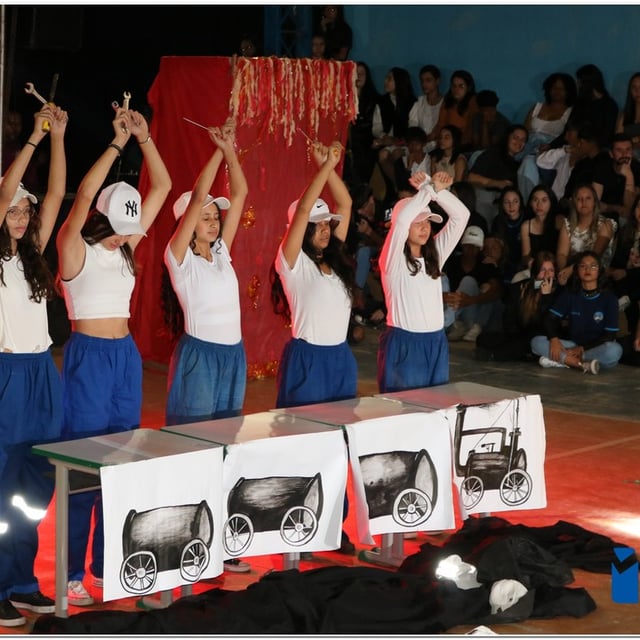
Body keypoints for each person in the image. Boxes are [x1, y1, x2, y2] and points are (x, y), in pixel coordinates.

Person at [56, 108, 171, 606]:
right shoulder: (73, 250)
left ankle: (107, 565)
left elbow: (163, 188)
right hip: (88, 357)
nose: (130, 235)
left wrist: (146, 139)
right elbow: (81, 195)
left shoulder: (123, 247)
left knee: (121, 462)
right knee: (83, 463)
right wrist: (116, 144)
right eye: (121, 228)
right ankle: (70, 575)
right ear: (103, 219)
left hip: (125, 356)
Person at [162, 119, 250, 573]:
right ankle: (183, 538)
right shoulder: (178, 260)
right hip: (200, 358)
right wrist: (215, 152)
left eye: (217, 215)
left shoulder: (223, 254)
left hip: (233, 358)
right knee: (192, 445)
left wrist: (230, 149)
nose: (213, 219)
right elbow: (198, 196)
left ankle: (220, 539)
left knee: (225, 446)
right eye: (205, 216)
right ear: (187, 223)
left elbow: (243, 194)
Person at [0, 104, 67, 627]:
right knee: (1, 488)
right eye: (14, 211)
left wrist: (60, 138)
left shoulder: (33, 256)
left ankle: (23, 581)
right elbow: (6, 193)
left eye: (27, 211)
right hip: (7, 379)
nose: (21, 218)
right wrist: (34, 139)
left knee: (33, 490)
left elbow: (59, 196)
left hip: (43, 375)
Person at [271, 139, 355, 553]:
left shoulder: (333, 264)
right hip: (308, 359)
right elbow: (304, 211)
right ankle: (299, 528)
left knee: (338, 444)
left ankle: (333, 526)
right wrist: (320, 170)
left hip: (339, 360)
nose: (326, 228)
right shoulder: (292, 263)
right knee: (303, 445)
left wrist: (331, 165)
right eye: (320, 225)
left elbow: (347, 203)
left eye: (328, 224)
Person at [377, 170, 470, 392]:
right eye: (418, 221)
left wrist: (437, 190)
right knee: (402, 410)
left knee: (434, 408)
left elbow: (462, 216)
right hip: (404, 342)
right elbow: (400, 223)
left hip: (435, 342)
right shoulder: (392, 259)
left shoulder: (434, 254)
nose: (424, 227)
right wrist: (426, 190)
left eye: (428, 221)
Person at [531, 250, 623, 373]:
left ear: (599, 270)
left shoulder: (609, 298)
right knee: (536, 342)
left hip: (594, 348)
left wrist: (582, 349)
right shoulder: (571, 293)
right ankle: (577, 364)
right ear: (577, 270)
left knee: (614, 351)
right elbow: (550, 318)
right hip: (572, 345)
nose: (587, 269)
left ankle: (563, 361)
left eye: (593, 266)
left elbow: (610, 335)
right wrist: (554, 339)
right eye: (583, 266)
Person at [475, 251, 558, 361]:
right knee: (484, 338)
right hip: (517, 333)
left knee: (522, 344)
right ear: (536, 271)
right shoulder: (521, 287)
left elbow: (547, 325)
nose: (547, 275)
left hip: (537, 337)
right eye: (543, 270)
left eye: (551, 270)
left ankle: (493, 355)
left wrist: (545, 297)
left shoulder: (557, 293)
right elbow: (509, 317)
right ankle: (510, 352)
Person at [444, 225, 504, 343]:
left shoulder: (486, 264)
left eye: (475, 247)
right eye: (468, 246)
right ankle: (453, 325)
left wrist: (470, 300)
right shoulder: (452, 263)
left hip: (473, 313)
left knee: (470, 282)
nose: (471, 250)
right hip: (455, 310)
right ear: (462, 246)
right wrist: (453, 297)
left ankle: (446, 324)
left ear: (480, 248)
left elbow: (497, 291)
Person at [556, 184, 616, 285]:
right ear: (574, 203)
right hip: (572, 274)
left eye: (588, 198)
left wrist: (573, 269)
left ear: (594, 202)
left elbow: (595, 256)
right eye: (579, 199)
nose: (583, 202)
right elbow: (561, 254)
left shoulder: (605, 224)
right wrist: (564, 271)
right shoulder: (567, 224)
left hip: (598, 275)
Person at [344, 61, 379, 186]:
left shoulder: (373, 99)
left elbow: (371, 124)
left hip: (366, 140)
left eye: (361, 74)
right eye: (355, 74)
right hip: (348, 140)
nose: (358, 77)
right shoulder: (343, 97)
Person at [591, 133, 640, 222]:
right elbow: (595, 204)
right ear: (611, 154)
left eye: (628, 149)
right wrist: (615, 208)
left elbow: (630, 207)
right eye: (619, 150)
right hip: (604, 216)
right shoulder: (602, 168)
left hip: (629, 220)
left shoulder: (637, 169)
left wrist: (629, 176)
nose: (624, 154)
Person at [433, 70, 478, 150]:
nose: (456, 89)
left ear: (468, 87)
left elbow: (471, 129)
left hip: (464, 145)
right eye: (454, 86)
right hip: (446, 142)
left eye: (461, 86)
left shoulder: (473, 102)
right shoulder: (447, 101)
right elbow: (441, 124)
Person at [520, 183, 563, 268]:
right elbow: (525, 256)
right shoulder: (526, 226)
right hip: (535, 268)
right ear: (530, 203)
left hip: (557, 266)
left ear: (551, 202)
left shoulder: (560, 221)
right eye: (535, 200)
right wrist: (532, 263)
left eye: (544, 200)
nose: (539, 205)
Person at [408, 64, 443, 151]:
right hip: (419, 143)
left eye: (428, 80)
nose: (424, 84)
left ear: (437, 81)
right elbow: (413, 125)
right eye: (422, 81)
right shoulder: (419, 102)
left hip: (437, 143)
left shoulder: (445, 103)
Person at [615, 72, 640, 160]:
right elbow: (618, 137)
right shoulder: (625, 114)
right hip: (626, 153)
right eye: (634, 87)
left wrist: (632, 141)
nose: (637, 91)